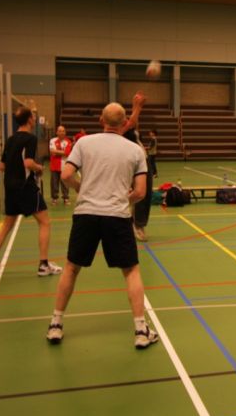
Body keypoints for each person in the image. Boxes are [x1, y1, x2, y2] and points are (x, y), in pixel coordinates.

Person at [46, 102, 159, 349]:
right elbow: (140, 192)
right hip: (117, 216)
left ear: (101, 120)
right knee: (131, 271)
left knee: (71, 268)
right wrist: (123, 199)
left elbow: (66, 175)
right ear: (125, 122)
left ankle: (55, 324)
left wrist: (81, 189)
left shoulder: (83, 143)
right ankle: (141, 330)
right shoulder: (135, 150)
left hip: (85, 214)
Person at [0, 107, 61, 277]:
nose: (34, 119)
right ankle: (43, 265)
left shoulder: (10, 140)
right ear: (30, 120)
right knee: (45, 222)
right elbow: (28, 163)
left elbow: (1, 166)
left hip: (10, 187)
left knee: (6, 225)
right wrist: (39, 168)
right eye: (33, 116)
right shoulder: (30, 139)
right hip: (25, 187)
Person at [122, 92, 152, 241]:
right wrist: (137, 106)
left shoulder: (130, 129)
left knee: (146, 194)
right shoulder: (121, 130)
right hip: (134, 163)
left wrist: (137, 106)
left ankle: (137, 223)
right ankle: (137, 225)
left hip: (144, 160)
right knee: (140, 193)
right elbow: (132, 122)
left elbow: (134, 123)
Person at [49, 125, 72, 205]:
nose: (61, 132)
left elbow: (67, 153)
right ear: (57, 132)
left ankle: (66, 198)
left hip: (64, 166)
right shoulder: (52, 140)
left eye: (63, 131)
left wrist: (56, 151)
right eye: (60, 131)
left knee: (65, 183)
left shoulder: (68, 142)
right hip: (54, 166)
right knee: (54, 183)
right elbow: (52, 152)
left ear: (65, 132)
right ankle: (54, 199)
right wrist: (62, 152)